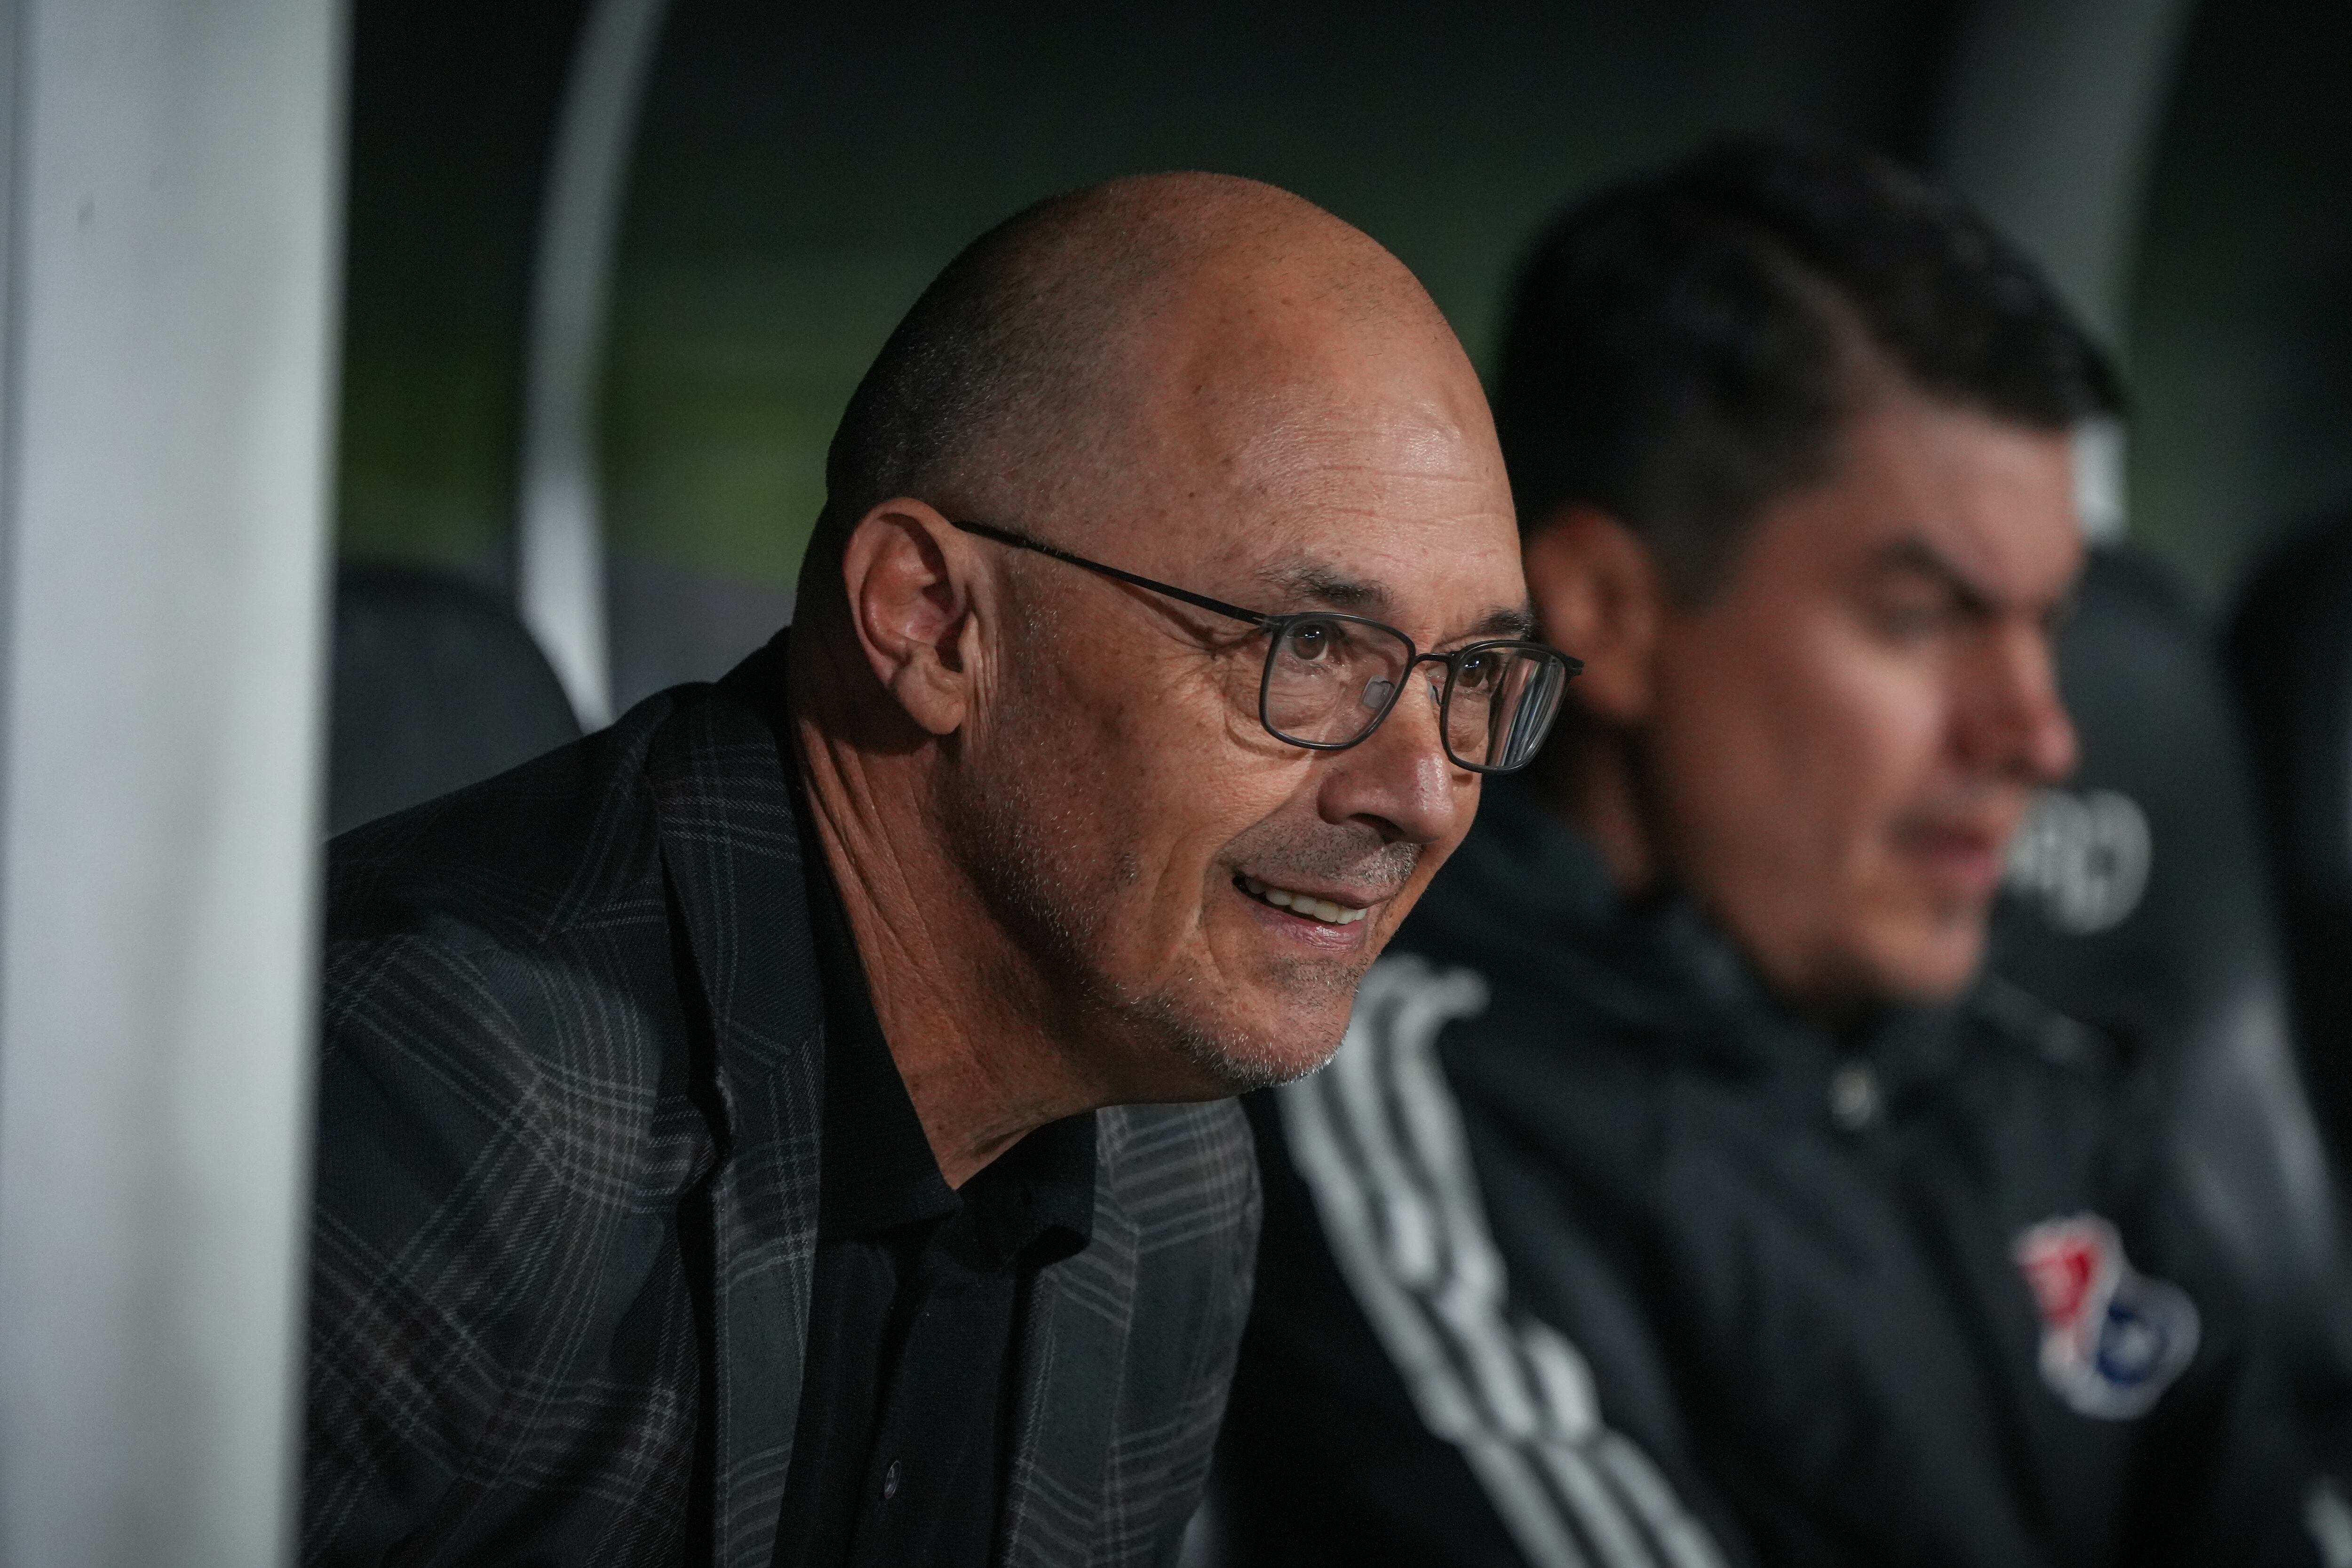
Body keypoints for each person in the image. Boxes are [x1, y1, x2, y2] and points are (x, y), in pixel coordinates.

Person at [301, 173, 1572, 1567]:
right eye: (1312, 650)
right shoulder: (429, 1099)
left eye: (1472, 676)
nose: (1425, 796)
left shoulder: (1174, 1172)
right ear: (930, 619)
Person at [1219, 139, 2352, 1568]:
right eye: (1923, 616)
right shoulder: (1398, 1111)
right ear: (1611, 611)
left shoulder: (2037, 1088)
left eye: (2048, 626)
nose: (2041, 736)